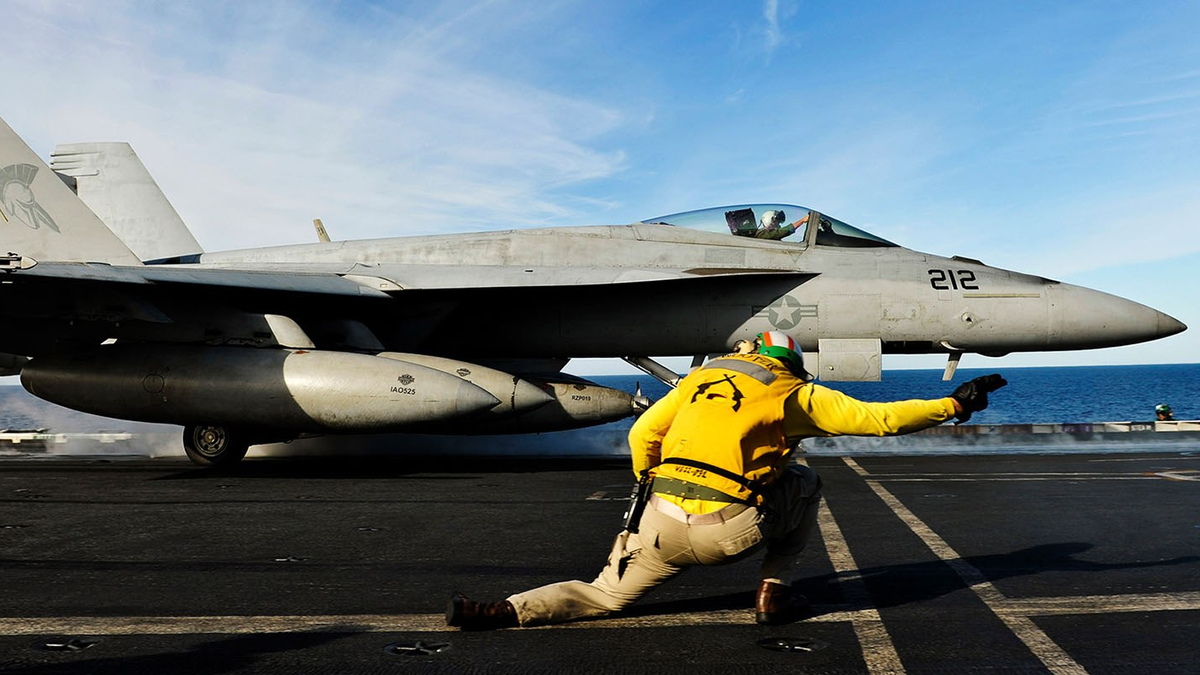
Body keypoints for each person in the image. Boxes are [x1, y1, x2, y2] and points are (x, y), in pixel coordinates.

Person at [446, 332, 1007, 629]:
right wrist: (954, 405)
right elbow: (881, 421)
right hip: (728, 533)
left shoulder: (696, 382)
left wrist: (648, 487)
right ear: (786, 362)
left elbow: (643, 435)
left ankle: (500, 611)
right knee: (805, 482)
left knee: (603, 596)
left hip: (659, 527)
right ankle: (773, 591)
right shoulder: (794, 392)